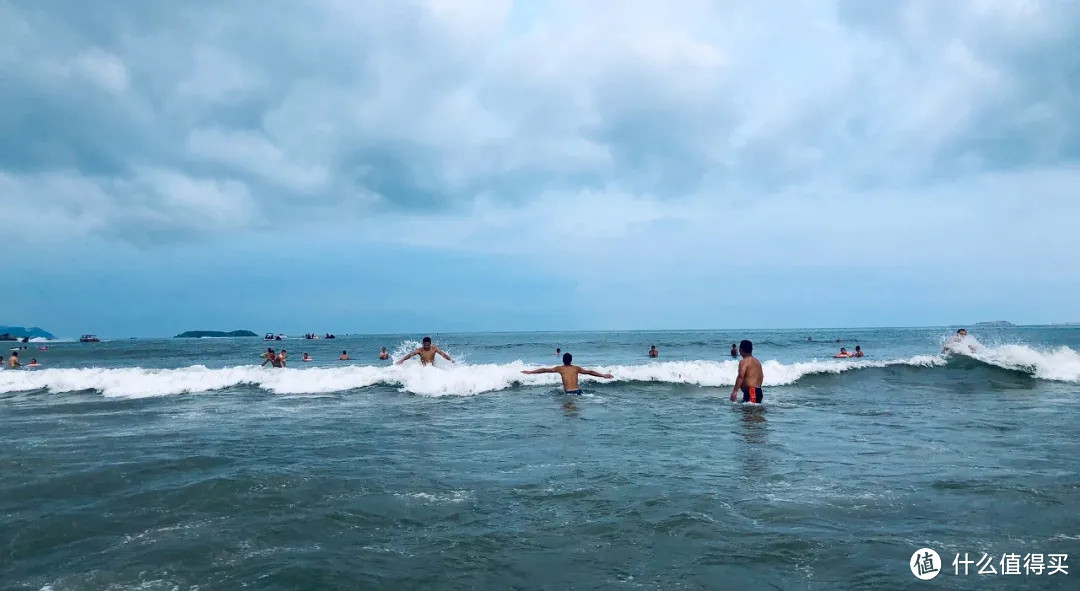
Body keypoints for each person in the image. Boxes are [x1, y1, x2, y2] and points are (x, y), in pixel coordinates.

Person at [521, 352, 614, 395]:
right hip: (579, 392)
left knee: (567, 414)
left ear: (563, 360)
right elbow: (590, 372)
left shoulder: (560, 368)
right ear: (571, 360)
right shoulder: (576, 368)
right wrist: (603, 375)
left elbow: (544, 370)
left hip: (569, 393)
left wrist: (530, 372)